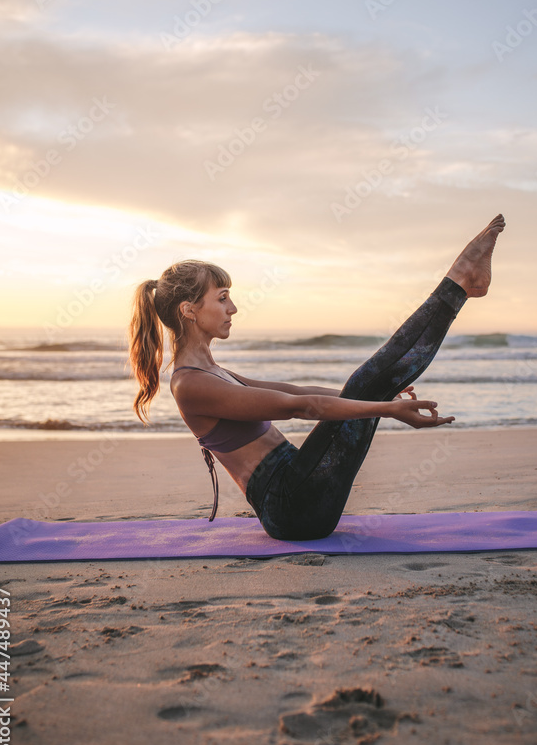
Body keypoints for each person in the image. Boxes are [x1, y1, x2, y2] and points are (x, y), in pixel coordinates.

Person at [128, 214, 505, 539]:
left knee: (364, 386)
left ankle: (461, 283)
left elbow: (296, 390)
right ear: (189, 310)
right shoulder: (191, 383)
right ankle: (459, 282)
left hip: (299, 489)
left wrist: (377, 402)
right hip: (292, 507)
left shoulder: (212, 371)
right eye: (222, 297)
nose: (233, 308)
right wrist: (384, 408)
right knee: (365, 384)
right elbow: (301, 407)